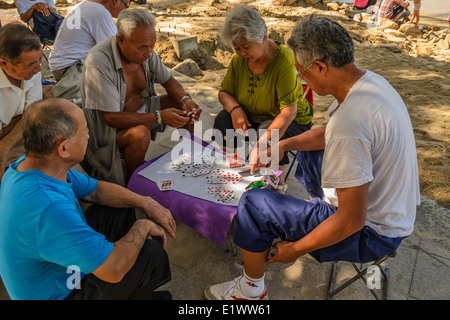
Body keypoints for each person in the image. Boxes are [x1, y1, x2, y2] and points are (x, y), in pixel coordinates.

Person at [204, 15, 420, 300]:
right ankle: (313, 208)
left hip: (373, 234)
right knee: (311, 147)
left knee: (253, 204)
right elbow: (325, 134)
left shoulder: (350, 125)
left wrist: (295, 249)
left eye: (301, 72)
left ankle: (250, 290)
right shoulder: (369, 83)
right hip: (394, 214)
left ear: (320, 66)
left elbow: (351, 221)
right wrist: (281, 146)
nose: (300, 79)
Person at [0, 98, 175, 300]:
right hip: (60, 293)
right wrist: (142, 227)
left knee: (122, 206)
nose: (89, 135)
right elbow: (113, 269)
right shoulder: (49, 208)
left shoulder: (32, 164)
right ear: (64, 148)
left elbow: (96, 190)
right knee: (150, 255)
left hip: (60, 267)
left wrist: (146, 201)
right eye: (85, 132)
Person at [81, 9, 202, 186]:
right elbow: (111, 118)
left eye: (152, 45)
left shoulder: (146, 51)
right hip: (108, 131)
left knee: (183, 102)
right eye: (142, 47)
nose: (148, 52)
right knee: (140, 133)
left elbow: (168, 80)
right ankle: (133, 182)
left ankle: (191, 156)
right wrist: (159, 116)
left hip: (142, 108)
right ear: (121, 39)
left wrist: (185, 100)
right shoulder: (98, 62)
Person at [213, 6, 313, 191]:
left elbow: (289, 111)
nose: (242, 53)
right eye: (237, 48)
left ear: (263, 38)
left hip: (290, 119)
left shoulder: (283, 60)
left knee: (268, 132)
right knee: (223, 119)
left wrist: (263, 141)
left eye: (246, 47)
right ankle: (231, 169)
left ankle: (276, 185)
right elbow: (224, 92)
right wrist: (235, 110)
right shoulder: (238, 61)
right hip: (253, 116)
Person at [0, 23, 53, 182]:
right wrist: (28, 115)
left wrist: (4, 144)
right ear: (4, 64)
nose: (38, 69)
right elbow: (31, 115)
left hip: (19, 145)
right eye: (31, 64)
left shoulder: (31, 72)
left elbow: (32, 116)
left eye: (39, 60)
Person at [49, 0, 129, 82]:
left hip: (61, 67)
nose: (126, 9)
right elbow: (115, 51)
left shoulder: (83, 5)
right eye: (127, 4)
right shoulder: (100, 12)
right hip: (71, 71)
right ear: (116, 1)